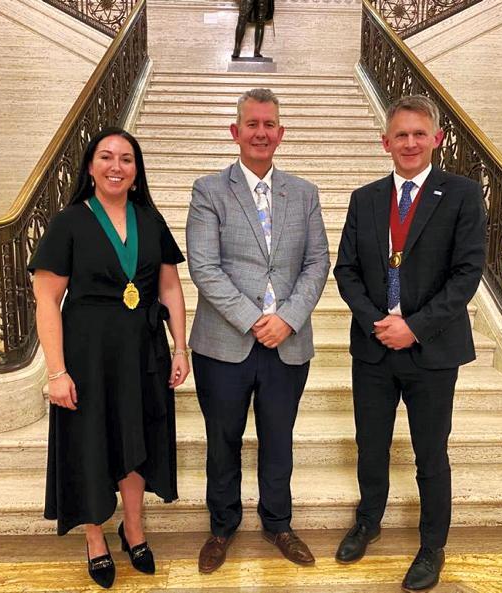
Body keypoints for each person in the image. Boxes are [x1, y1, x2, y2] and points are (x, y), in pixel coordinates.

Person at [333, 95, 486, 591]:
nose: (410, 142)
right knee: (370, 445)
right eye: (401, 134)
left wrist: (414, 326)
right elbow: (346, 270)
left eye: (420, 133)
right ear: (386, 142)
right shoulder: (365, 198)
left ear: (436, 139)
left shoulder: (462, 194)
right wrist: (378, 321)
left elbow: (467, 274)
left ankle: (432, 545)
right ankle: (368, 522)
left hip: (432, 350)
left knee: (430, 454)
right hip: (374, 347)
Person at [29, 127, 189, 589]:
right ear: (90, 166)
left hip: (143, 351)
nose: (116, 166)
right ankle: (95, 537)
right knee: (91, 443)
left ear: (137, 171)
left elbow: (170, 288)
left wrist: (180, 348)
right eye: (106, 157)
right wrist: (56, 372)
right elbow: (46, 300)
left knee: (137, 440)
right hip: (88, 356)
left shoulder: (150, 219)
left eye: (126, 159)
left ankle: (133, 528)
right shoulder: (69, 221)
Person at [186, 88, 330, 573]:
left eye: (269, 125)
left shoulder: (304, 193)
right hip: (224, 344)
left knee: (278, 439)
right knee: (222, 439)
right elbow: (205, 267)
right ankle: (222, 527)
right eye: (252, 124)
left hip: (288, 343)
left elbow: (317, 262)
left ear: (281, 133)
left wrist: (287, 317)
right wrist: (253, 319)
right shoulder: (209, 191)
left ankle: (278, 524)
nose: (261, 133)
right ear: (236, 132)